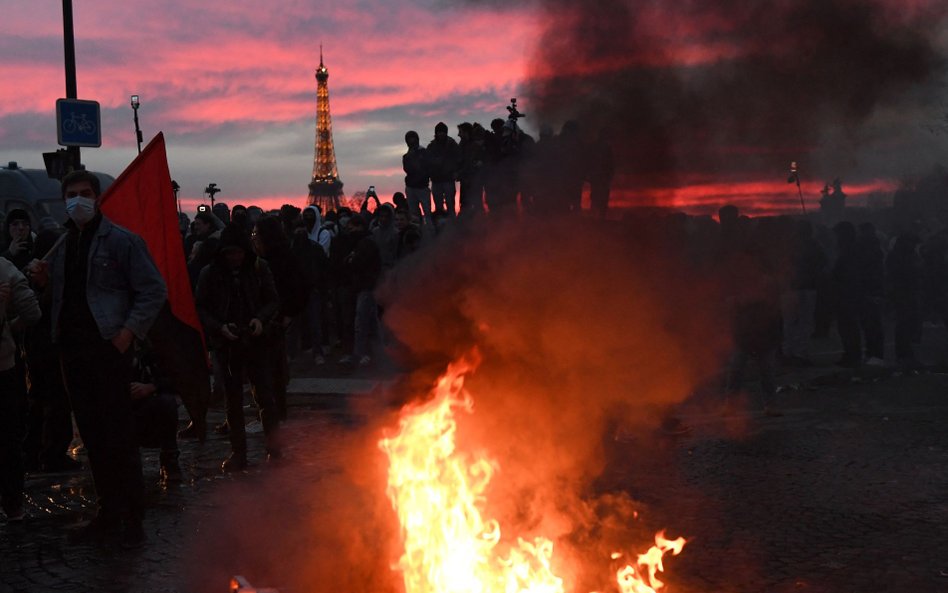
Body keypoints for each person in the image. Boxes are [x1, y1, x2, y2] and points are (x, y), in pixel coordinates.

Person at [28, 169, 167, 548]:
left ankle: (132, 518)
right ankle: (108, 512)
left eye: (84, 193)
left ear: (98, 197)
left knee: (119, 435)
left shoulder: (122, 242)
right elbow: (64, 296)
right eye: (71, 194)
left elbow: (153, 290)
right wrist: (43, 281)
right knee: (92, 435)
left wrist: (126, 334)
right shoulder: (64, 243)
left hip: (107, 349)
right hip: (71, 351)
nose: (78, 200)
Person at [194, 224, 279, 471]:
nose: (235, 258)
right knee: (232, 401)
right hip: (226, 343)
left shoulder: (259, 268)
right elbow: (200, 307)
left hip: (256, 340)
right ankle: (238, 453)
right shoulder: (210, 274)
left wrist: (260, 320)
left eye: (239, 252)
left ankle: (275, 451)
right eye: (230, 253)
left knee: (265, 396)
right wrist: (220, 327)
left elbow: (273, 299)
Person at [0, 253, 41, 521]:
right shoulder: (4, 268)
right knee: (8, 439)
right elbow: (32, 312)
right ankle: (13, 505)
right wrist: (11, 328)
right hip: (4, 366)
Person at [426, 122, 460, 217]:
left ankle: (452, 225)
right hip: (436, 180)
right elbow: (427, 161)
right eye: (439, 132)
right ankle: (440, 227)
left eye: (443, 132)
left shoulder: (452, 144)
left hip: (448, 179)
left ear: (446, 133)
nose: (441, 134)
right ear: (436, 133)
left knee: (450, 205)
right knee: (438, 207)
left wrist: (455, 171)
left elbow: (459, 158)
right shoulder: (431, 146)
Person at [403, 131, 433, 227]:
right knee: (414, 215)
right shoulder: (406, 156)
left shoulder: (424, 152)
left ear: (417, 139)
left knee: (427, 213)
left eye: (413, 138)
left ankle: (430, 234)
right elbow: (407, 169)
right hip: (411, 188)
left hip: (422, 187)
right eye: (409, 139)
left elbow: (427, 168)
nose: (411, 141)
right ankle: (417, 234)